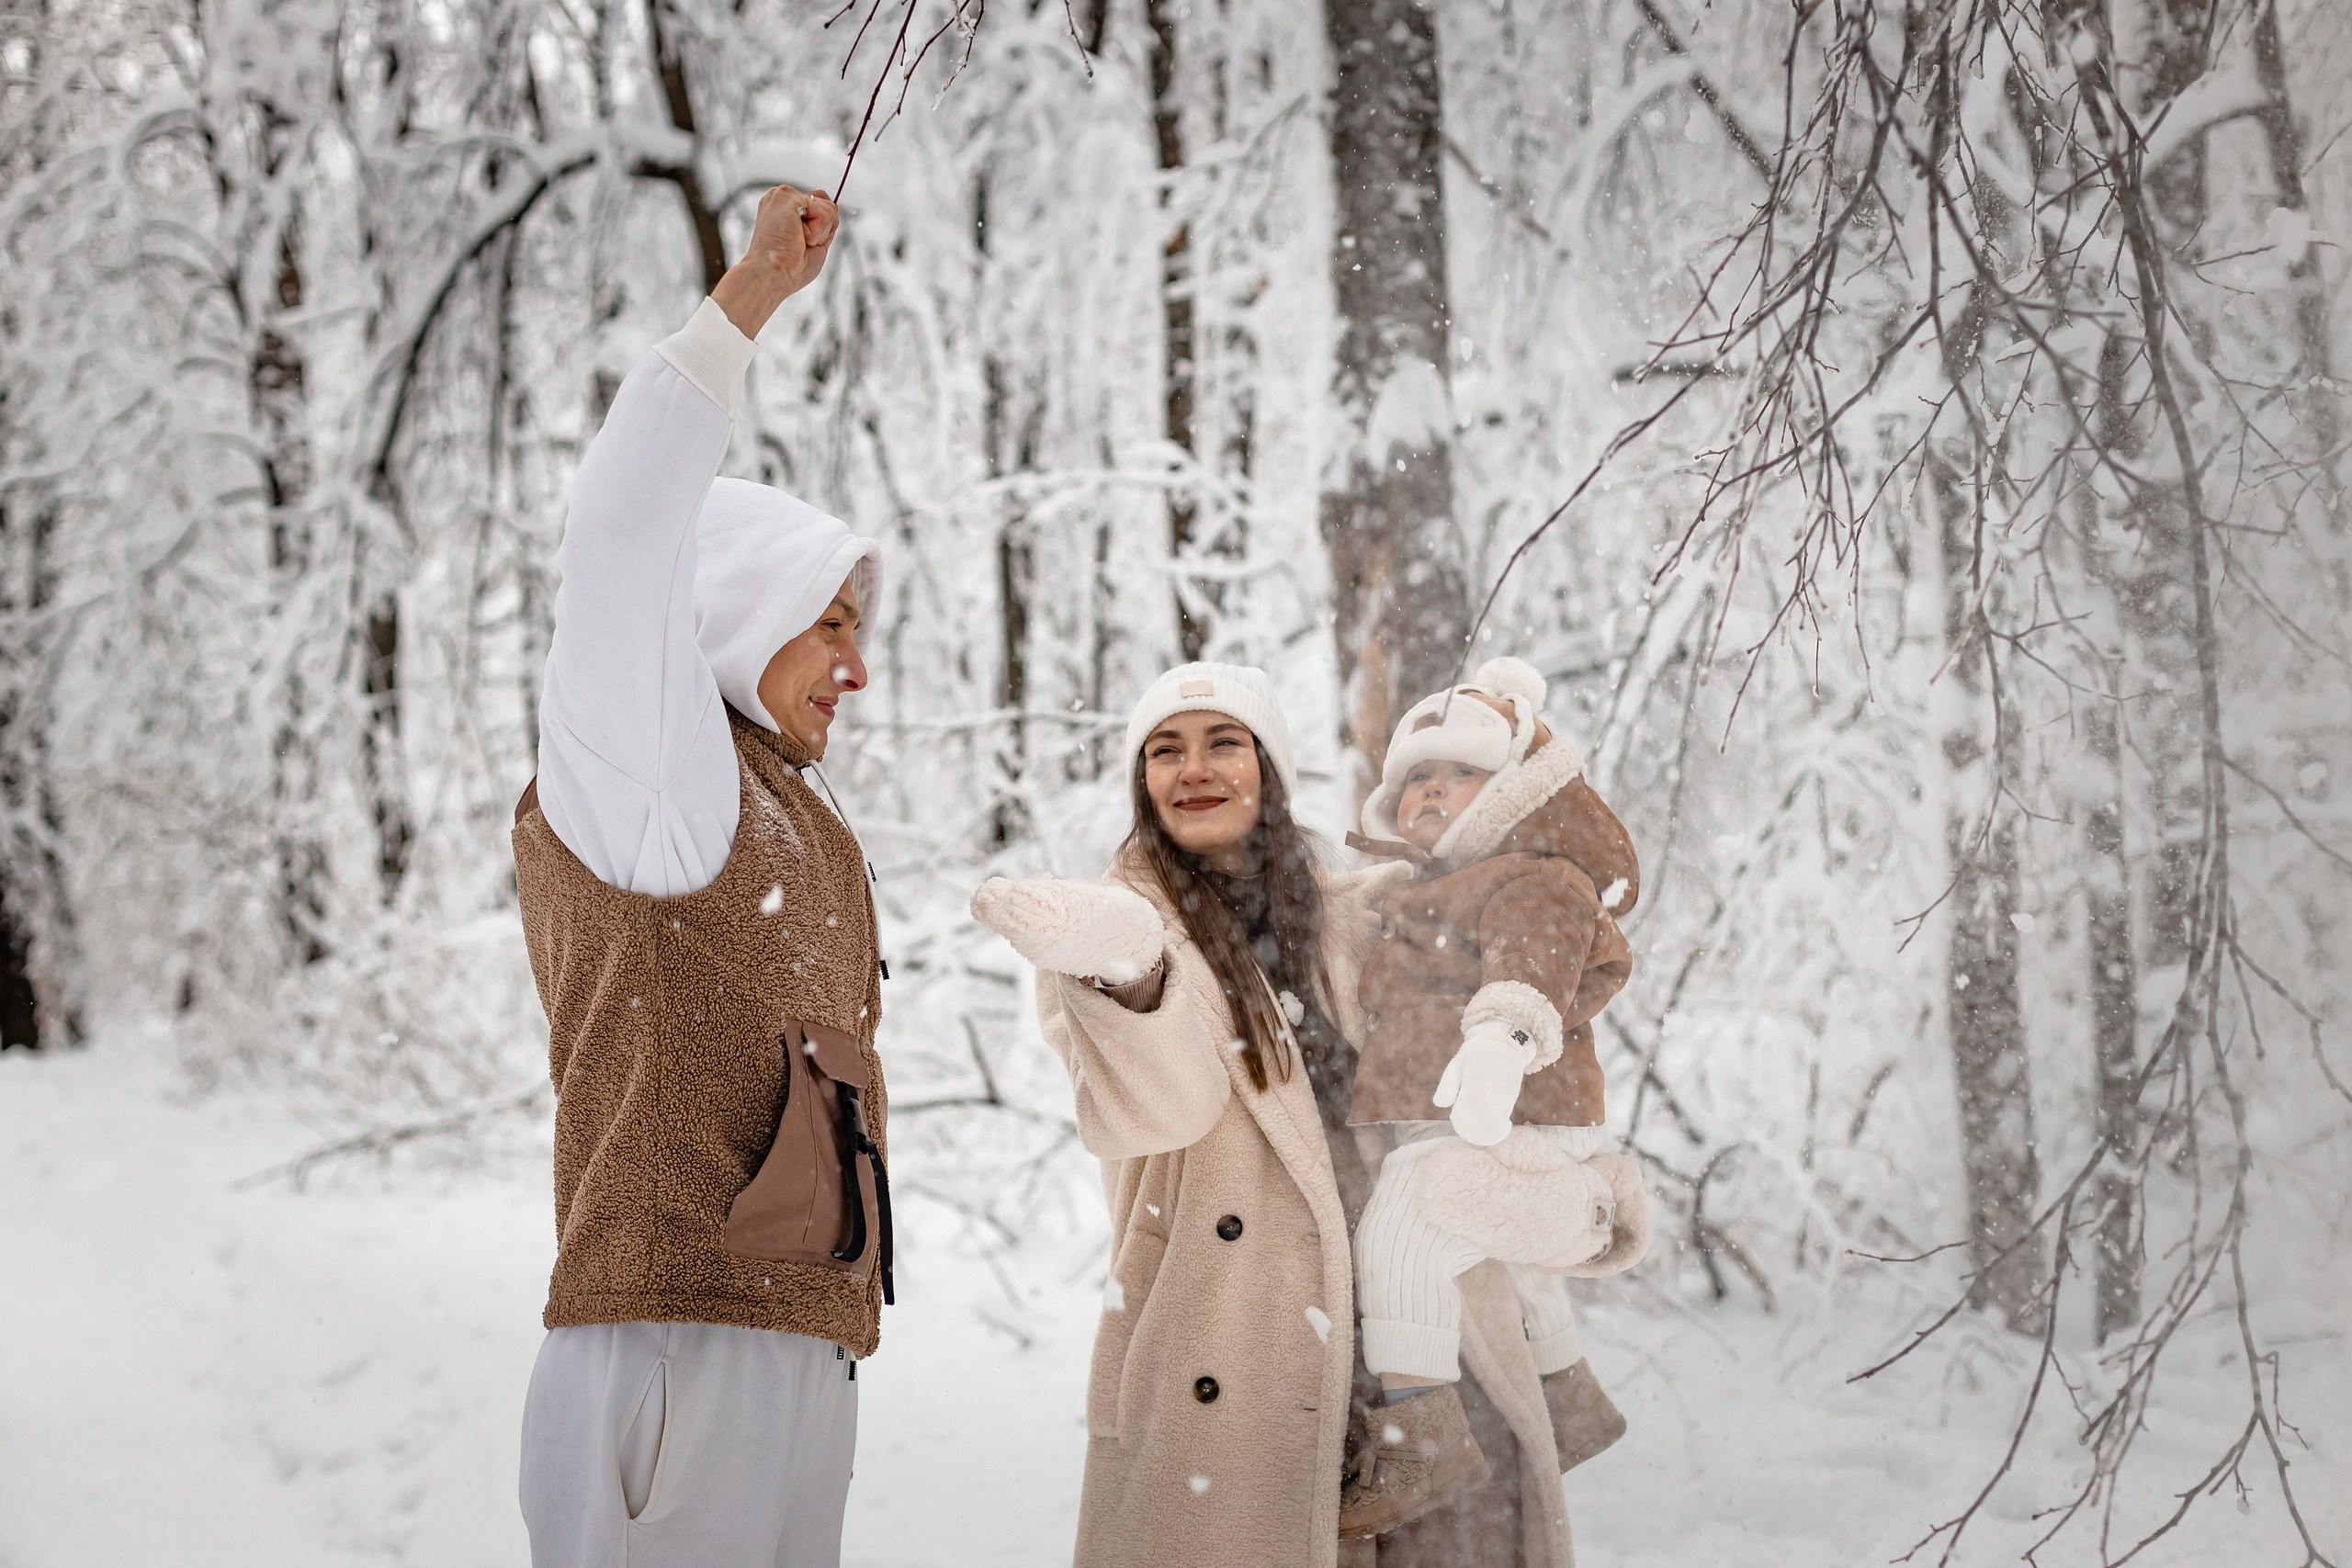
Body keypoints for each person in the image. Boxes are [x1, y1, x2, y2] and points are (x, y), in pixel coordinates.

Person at [509, 183, 893, 1568]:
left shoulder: (785, 807)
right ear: (733, 606)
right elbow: (620, 538)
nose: (858, 665)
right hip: (678, 1346)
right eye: (830, 622)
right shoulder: (652, 769)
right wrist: (743, 308)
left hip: (789, 1347)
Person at [967, 663, 1400, 1568]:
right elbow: (1157, 1110)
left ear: (1268, 768)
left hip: (1375, 1340)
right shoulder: (1109, 934)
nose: (1192, 769)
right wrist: (1128, 969)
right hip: (1218, 1344)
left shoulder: (1343, 921)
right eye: (1164, 752)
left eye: (1222, 744)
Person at [1338, 657, 1653, 1538]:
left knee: (1398, 1231)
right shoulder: (1436, 887)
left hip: (1505, 1106)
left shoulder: (1533, 874)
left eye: (1459, 775)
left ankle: (1417, 1433)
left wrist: (1499, 1042)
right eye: (1415, 780)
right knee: (1506, 1265)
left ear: (1516, 789)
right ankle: (1570, 1393)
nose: (1430, 793)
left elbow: (1533, 964)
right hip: (1490, 1116)